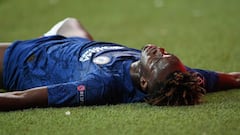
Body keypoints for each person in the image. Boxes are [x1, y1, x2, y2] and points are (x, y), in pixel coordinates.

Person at [0, 18, 239, 111]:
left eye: (156, 60)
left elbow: (23, 97)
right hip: (69, 40)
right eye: (167, 54)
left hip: (24, 60)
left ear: (144, 81)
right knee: (71, 22)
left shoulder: (103, 85)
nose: (159, 51)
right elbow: (231, 78)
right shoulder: (175, 76)